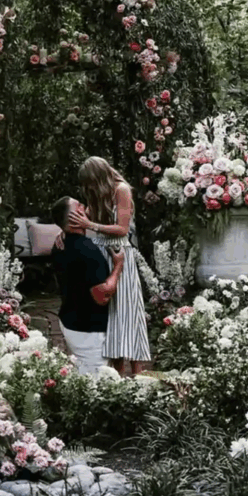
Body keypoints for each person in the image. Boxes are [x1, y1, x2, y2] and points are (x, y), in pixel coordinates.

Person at [63, 156, 151, 376]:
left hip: (120, 253)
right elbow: (80, 219)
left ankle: (138, 373)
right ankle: (117, 374)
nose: (88, 188)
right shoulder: (97, 194)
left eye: (90, 182)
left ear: (99, 176)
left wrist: (89, 225)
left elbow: (122, 229)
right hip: (102, 255)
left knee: (129, 313)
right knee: (112, 317)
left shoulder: (121, 190)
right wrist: (63, 232)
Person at [51, 196, 125, 376]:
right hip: (87, 329)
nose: (85, 207)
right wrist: (118, 266)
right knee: (94, 383)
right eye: (80, 206)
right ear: (74, 217)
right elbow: (102, 295)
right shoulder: (87, 251)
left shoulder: (59, 245)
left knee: (80, 373)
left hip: (70, 320)